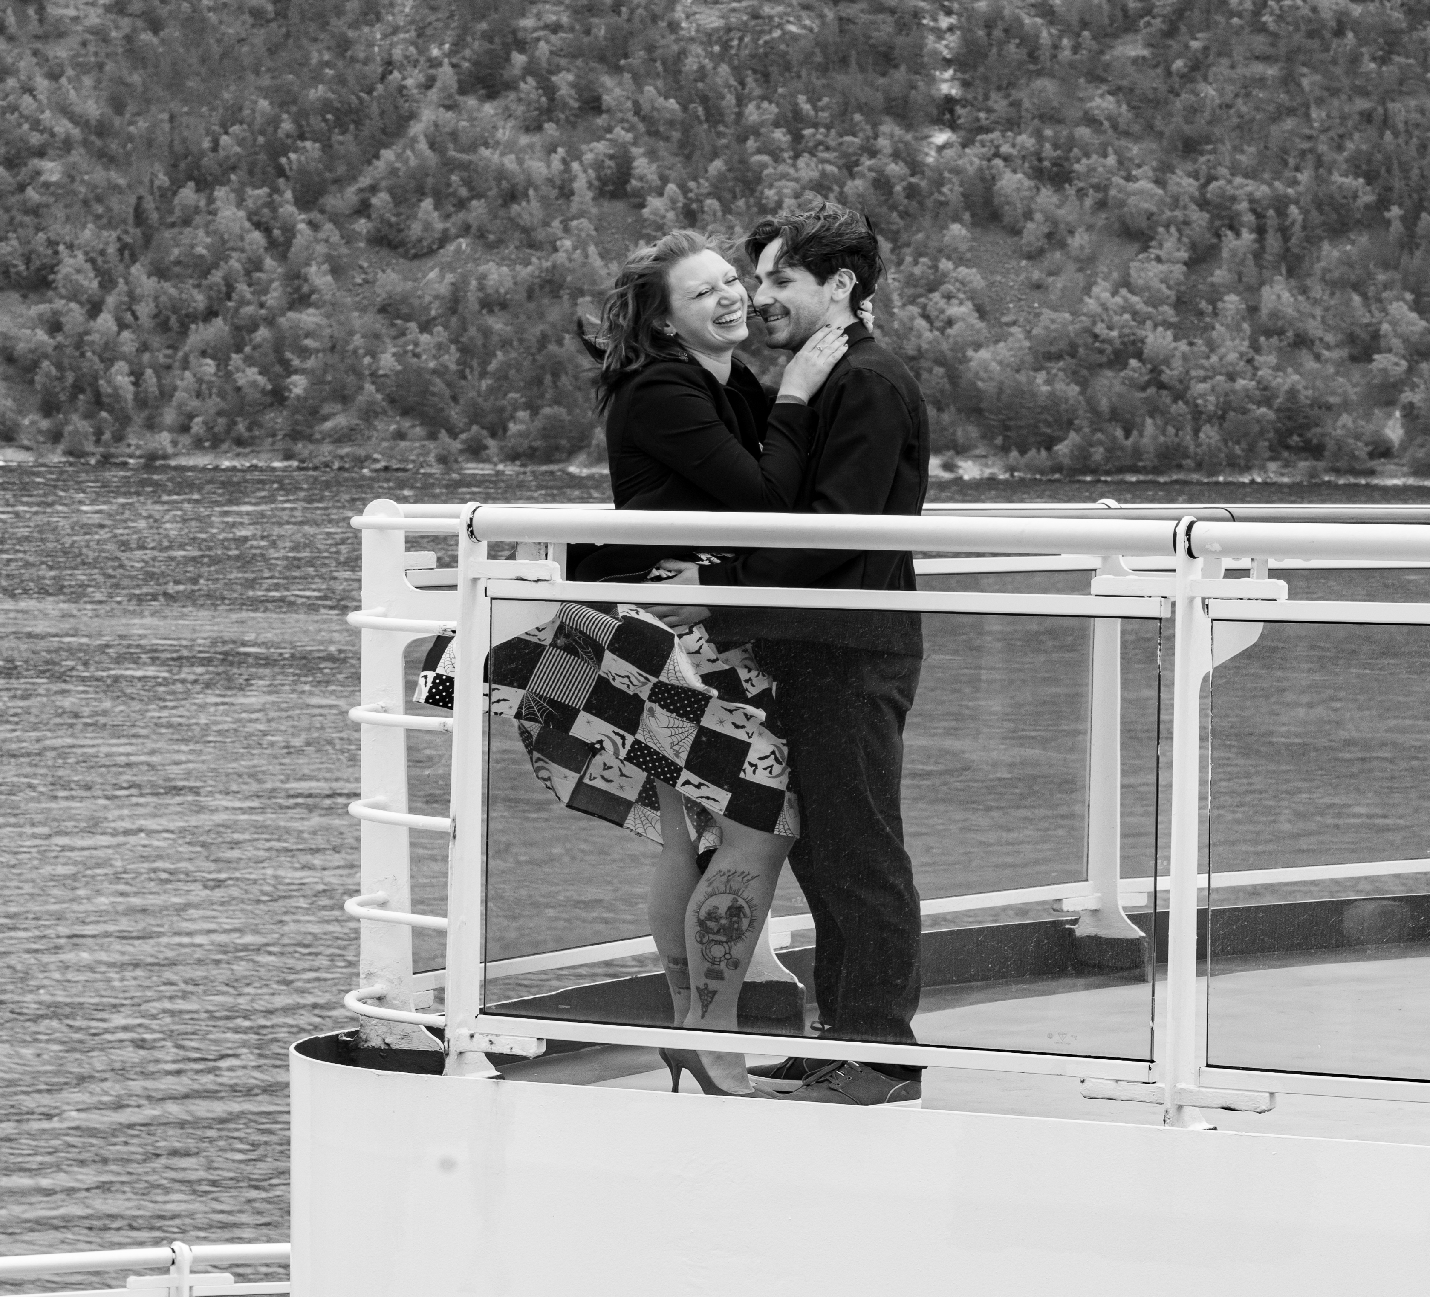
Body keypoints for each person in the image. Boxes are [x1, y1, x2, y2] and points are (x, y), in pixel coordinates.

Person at [425, 229, 849, 1097]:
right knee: (762, 821)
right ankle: (711, 1033)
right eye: (705, 294)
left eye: (733, 280)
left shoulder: (718, 386)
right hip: (667, 647)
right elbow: (766, 500)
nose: (733, 296)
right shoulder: (664, 389)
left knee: (698, 828)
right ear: (663, 322)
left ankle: (695, 1027)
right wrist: (800, 388)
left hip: (669, 638)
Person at [653, 201, 931, 1108]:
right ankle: (840, 1042)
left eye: (781, 279)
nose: (761, 296)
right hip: (813, 647)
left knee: (861, 852)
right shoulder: (831, 380)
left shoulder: (870, 383)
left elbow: (827, 533)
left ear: (841, 287)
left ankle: (884, 1057)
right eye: (757, 278)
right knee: (824, 856)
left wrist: (724, 571)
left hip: (851, 651)